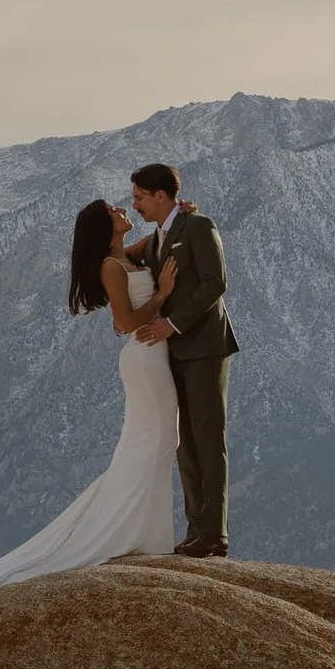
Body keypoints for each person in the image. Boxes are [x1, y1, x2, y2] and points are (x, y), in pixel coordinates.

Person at [0, 196, 181, 597]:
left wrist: (179, 212)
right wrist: (162, 295)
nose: (123, 210)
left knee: (158, 444)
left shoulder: (123, 256)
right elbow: (124, 322)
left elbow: (158, 238)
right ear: (102, 225)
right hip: (144, 357)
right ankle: (134, 538)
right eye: (113, 211)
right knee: (155, 444)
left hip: (152, 357)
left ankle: (147, 537)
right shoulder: (112, 266)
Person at [125, 162, 238, 557]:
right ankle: (197, 529)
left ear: (161, 195)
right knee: (183, 441)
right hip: (172, 352)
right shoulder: (157, 237)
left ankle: (214, 532)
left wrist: (171, 324)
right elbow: (118, 260)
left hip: (205, 347)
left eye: (139, 196)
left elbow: (215, 282)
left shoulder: (199, 226)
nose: (135, 204)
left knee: (208, 438)